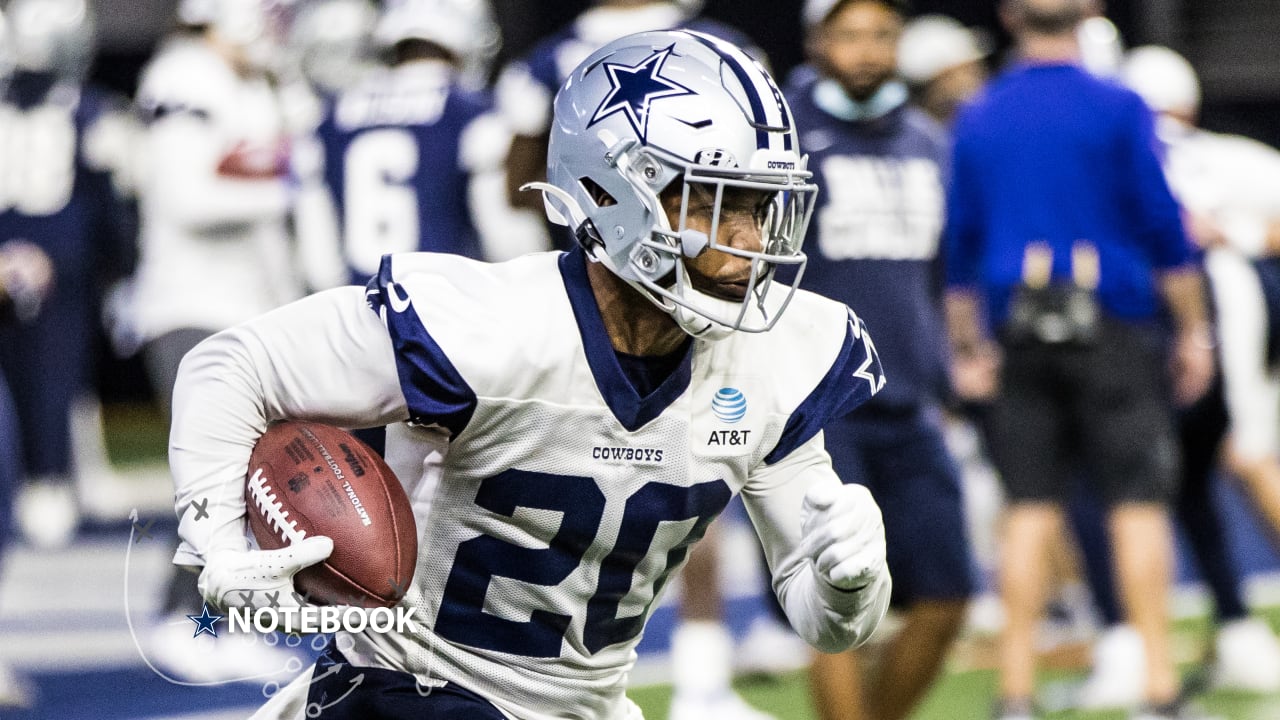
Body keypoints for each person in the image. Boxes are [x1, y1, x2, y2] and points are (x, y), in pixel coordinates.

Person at [170, 29, 893, 720]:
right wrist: (219, 544)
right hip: (408, 688)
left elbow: (826, 623)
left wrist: (846, 581)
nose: (749, 242)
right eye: (712, 201)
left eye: (761, 205)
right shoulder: (492, 327)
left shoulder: (773, 358)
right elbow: (231, 366)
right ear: (612, 193)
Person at [497, 6, 779, 717]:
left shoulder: (550, 55)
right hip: (623, 295)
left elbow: (518, 182)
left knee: (684, 481)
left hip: (604, 289)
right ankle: (695, 678)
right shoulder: (722, 43)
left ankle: (697, 676)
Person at [942, 1, 1215, 718]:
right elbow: (1162, 223)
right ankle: (1158, 690)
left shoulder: (981, 113)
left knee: (1028, 509)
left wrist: (968, 346)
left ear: (1008, 17)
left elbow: (961, 245)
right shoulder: (1119, 105)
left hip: (1018, 326)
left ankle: (1015, 693)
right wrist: (1194, 330)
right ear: (1089, 11)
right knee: (1136, 506)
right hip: (1115, 320)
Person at [1068, 45, 1280, 709]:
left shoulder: (1117, 145)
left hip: (1165, 316)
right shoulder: (1229, 153)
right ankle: (1230, 627)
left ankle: (1133, 647)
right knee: (1202, 473)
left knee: (1132, 480)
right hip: (1228, 306)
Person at [786, 2, 975, 720]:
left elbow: (940, 274)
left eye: (883, 35)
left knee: (949, 593)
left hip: (909, 398)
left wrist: (954, 357)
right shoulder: (786, 140)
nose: (868, 51)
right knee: (835, 599)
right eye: (850, 35)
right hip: (819, 407)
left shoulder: (927, 141)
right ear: (818, 43)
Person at [132, 0, 304, 684]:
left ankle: (223, 623)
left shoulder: (253, 84)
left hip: (246, 311)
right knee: (213, 482)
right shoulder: (184, 74)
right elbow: (185, 198)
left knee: (252, 484)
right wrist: (285, 185)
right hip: (189, 305)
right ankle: (181, 622)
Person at [0, 0, 135, 551]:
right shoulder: (88, 109)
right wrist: (119, 265)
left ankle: (42, 484)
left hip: (11, 253)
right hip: (62, 261)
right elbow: (107, 202)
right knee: (55, 378)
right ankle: (50, 482)